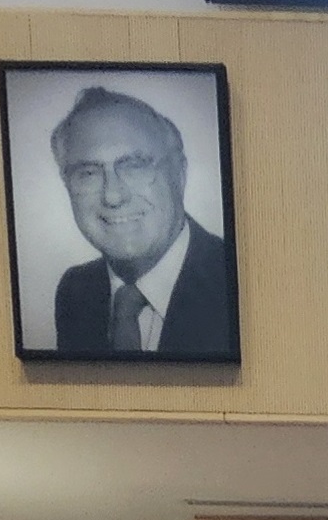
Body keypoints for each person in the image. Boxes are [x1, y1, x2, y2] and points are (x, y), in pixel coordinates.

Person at [46, 86, 237, 358]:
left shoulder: (236, 278)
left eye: (135, 166)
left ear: (179, 174)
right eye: (88, 173)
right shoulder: (76, 291)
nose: (113, 196)